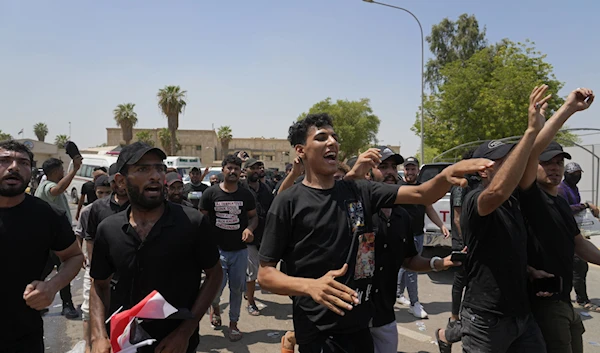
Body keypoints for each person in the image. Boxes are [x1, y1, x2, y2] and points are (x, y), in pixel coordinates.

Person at [257, 113, 491, 353]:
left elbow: (423, 195)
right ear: (301, 150)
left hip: (360, 325)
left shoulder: (359, 190)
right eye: (321, 137)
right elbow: (265, 276)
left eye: (334, 137)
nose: (332, 142)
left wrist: (446, 174)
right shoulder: (287, 202)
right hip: (316, 329)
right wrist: (310, 287)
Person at [89, 142, 223, 353]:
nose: (155, 176)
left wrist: (184, 333)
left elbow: (214, 275)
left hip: (175, 345)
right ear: (121, 181)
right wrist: (97, 335)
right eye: (143, 169)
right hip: (123, 343)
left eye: (159, 168)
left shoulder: (192, 223)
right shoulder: (108, 229)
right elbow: (99, 285)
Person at [450, 86, 554, 353]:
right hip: (485, 320)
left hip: (520, 314)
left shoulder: (514, 199)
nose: (513, 164)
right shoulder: (476, 199)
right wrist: (530, 131)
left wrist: (567, 109)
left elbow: (532, 152)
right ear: (483, 170)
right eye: (504, 161)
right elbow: (495, 192)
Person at [512, 86, 599, 353]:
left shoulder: (561, 201)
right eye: (547, 162)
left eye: (560, 163)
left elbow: (579, 245)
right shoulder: (530, 196)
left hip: (565, 301)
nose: (555, 168)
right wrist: (569, 109)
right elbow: (529, 152)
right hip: (543, 303)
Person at [365, 146, 462, 353]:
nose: (390, 172)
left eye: (393, 166)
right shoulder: (358, 211)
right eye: (383, 166)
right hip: (352, 315)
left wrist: (437, 263)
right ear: (369, 172)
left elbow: (408, 260)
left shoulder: (402, 217)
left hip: (384, 314)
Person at [1, 140, 83, 353]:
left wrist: (52, 285)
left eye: (23, 162)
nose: (13, 167)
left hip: (22, 338)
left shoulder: (47, 216)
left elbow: (74, 257)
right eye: (4, 161)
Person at [200, 155, 258, 342]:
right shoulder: (211, 194)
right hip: (217, 252)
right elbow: (202, 219)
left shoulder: (245, 194)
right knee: (215, 290)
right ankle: (215, 308)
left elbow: (254, 217)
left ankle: (233, 324)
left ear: (240, 172)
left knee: (236, 289)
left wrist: (249, 228)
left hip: (240, 251)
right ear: (223, 170)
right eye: (229, 168)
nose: (233, 171)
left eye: (236, 168)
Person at [396, 156, 450, 319]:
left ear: (418, 171)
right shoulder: (397, 188)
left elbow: (429, 208)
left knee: (407, 269)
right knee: (408, 270)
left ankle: (401, 295)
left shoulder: (422, 189)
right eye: (407, 169)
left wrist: (441, 225)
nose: (410, 172)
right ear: (404, 170)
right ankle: (414, 303)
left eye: (413, 169)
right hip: (402, 237)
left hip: (418, 235)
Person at [35, 156, 83, 319]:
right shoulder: (47, 186)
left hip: (53, 237)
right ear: (55, 172)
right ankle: (67, 305)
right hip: (51, 239)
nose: (63, 172)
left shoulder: (48, 185)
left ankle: (34, 302)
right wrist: (75, 170)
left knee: (44, 271)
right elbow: (57, 190)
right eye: (61, 170)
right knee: (63, 270)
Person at [75, 174, 112, 353]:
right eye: (100, 192)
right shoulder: (89, 211)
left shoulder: (121, 210)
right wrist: (81, 256)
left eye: (107, 192)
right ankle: (87, 345)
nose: (104, 196)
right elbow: (81, 235)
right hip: (94, 267)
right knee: (88, 309)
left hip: (114, 267)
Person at [558, 161, 600, 312]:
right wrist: (585, 206)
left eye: (578, 174)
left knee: (577, 268)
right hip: (566, 235)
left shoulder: (573, 188)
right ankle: (582, 300)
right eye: (573, 174)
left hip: (574, 232)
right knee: (579, 266)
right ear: (567, 175)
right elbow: (565, 209)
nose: (576, 177)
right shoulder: (561, 189)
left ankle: (565, 297)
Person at [244, 158, 274, 316]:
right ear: (246, 170)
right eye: (252, 168)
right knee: (251, 272)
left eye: (258, 168)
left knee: (261, 269)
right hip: (247, 237)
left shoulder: (266, 189)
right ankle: (251, 302)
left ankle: (248, 294)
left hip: (264, 235)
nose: (256, 171)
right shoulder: (241, 189)